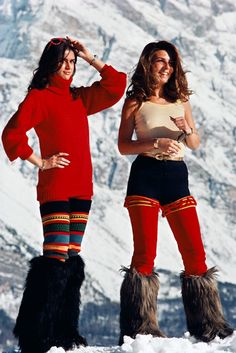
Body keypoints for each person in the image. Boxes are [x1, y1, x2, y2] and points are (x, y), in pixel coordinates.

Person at [2, 36, 126, 353]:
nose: (69, 67)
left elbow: (116, 86)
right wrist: (40, 161)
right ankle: (34, 336)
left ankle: (62, 333)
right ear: (50, 63)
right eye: (64, 61)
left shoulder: (79, 98)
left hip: (83, 190)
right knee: (54, 259)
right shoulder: (39, 97)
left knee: (70, 259)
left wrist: (89, 57)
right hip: (55, 188)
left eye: (72, 62)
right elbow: (11, 133)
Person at [117, 40, 233, 344]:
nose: (166, 66)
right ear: (147, 63)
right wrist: (155, 143)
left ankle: (210, 327)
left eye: (170, 62)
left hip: (176, 176)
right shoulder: (135, 101)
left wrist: (188, 129)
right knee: (144, 253)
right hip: (145, 175)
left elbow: (194, 144)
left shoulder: (181, 100)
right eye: (159, 60)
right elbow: (123, 146)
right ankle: (139, 329)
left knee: (194, 252)